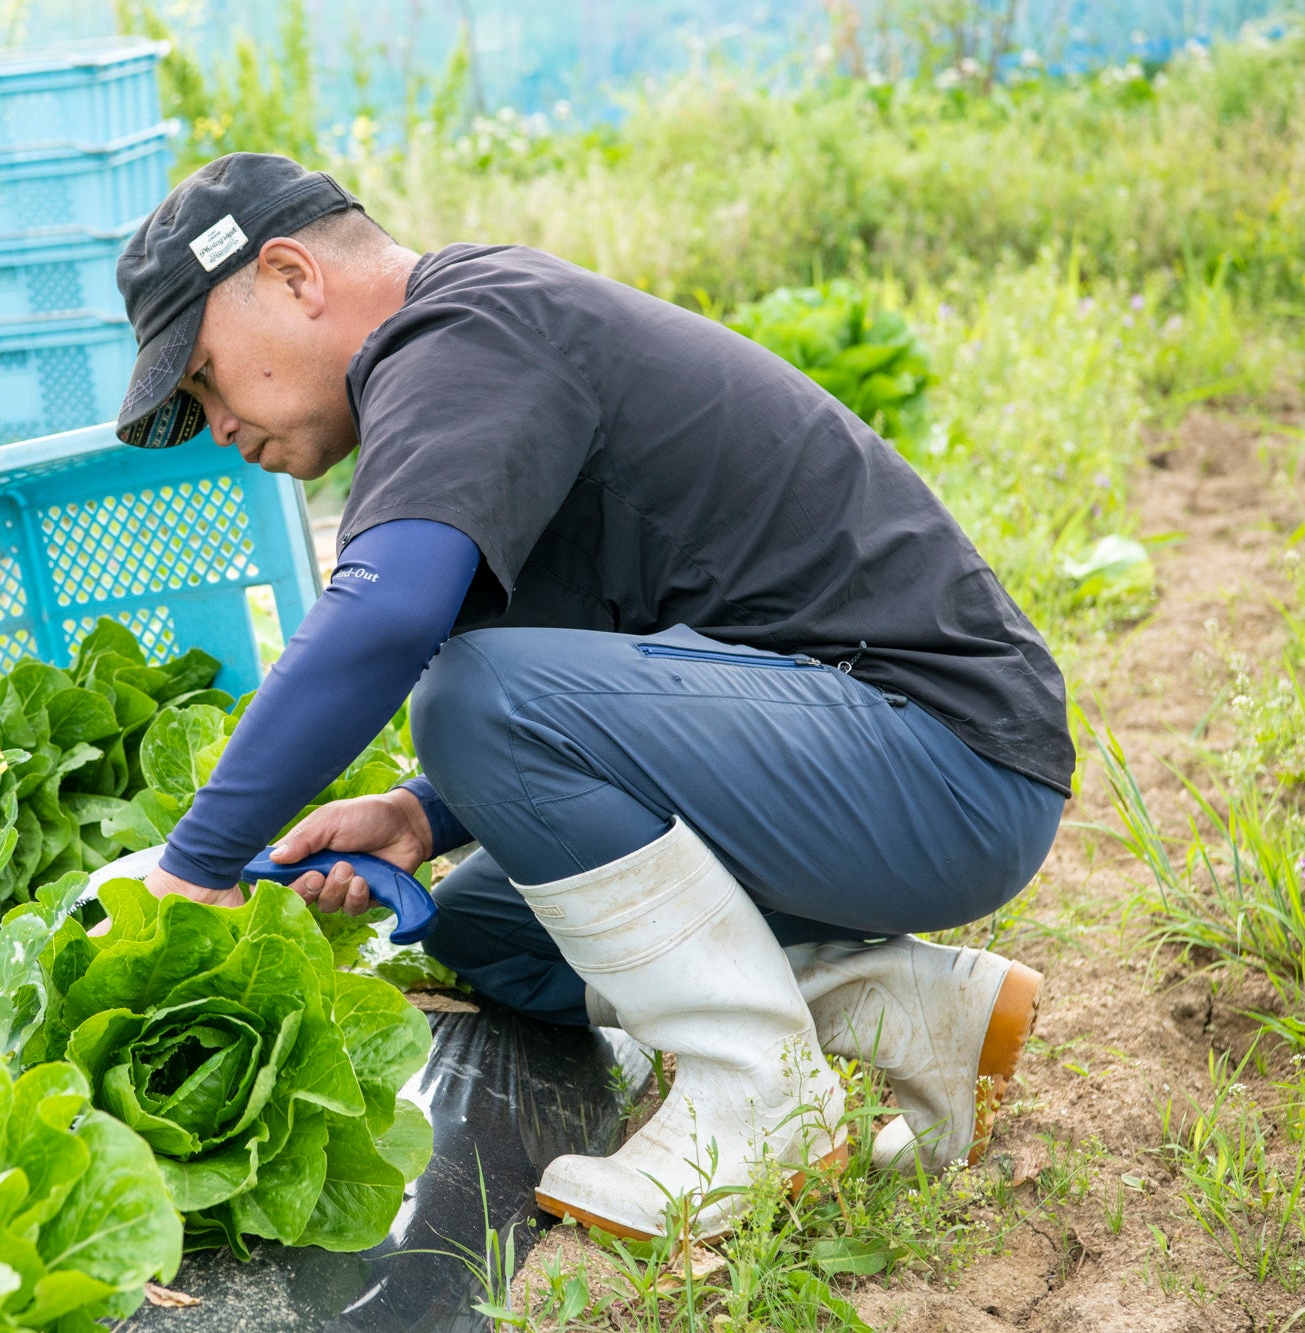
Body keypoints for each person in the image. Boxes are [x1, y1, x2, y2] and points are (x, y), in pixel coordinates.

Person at [109, 152, 1069, 1241]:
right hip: (860, 769)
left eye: (203, 377)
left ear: (290, 275)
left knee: (469, 693)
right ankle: (914, 1007)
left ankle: (756, 1099)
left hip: (941, 759)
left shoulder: (465, 331)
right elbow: (620, 669)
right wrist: (420, 816)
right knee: (489, 929)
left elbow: (386, 619)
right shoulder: (474, 363)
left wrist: (190, 867)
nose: (218, 426)